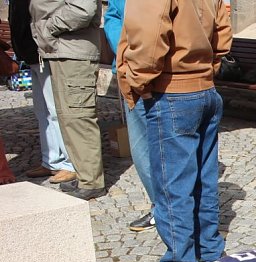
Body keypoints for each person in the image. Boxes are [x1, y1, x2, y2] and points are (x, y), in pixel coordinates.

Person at [117, 0, 232, 262]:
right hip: (204, 89)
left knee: (172, 186)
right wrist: (205, 70)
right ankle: (210, 254)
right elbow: (222, 33)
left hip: (173, 91)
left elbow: (149, 35)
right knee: (203, 182)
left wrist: (136, 81)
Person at [29, 0, 104, 199]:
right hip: (63, 50)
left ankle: (91, 181)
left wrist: (47, 28)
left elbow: (83, 9)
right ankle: (85, 176)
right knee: (69, 118)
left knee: (78, 117)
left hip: (73, 53)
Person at [8, 0, 76, 185]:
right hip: (31, 51)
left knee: (56, 109)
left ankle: (70, 163)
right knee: (42, 110)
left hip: (45, 49)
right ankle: (51, 160)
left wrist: (46, 33)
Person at [102, 0, 155, 232]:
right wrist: (124, 52)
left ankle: (180, 211)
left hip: (167, 73)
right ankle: (160, 207)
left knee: (172, 147)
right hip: (130, 72)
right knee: (141, 146)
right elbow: (113, 17)